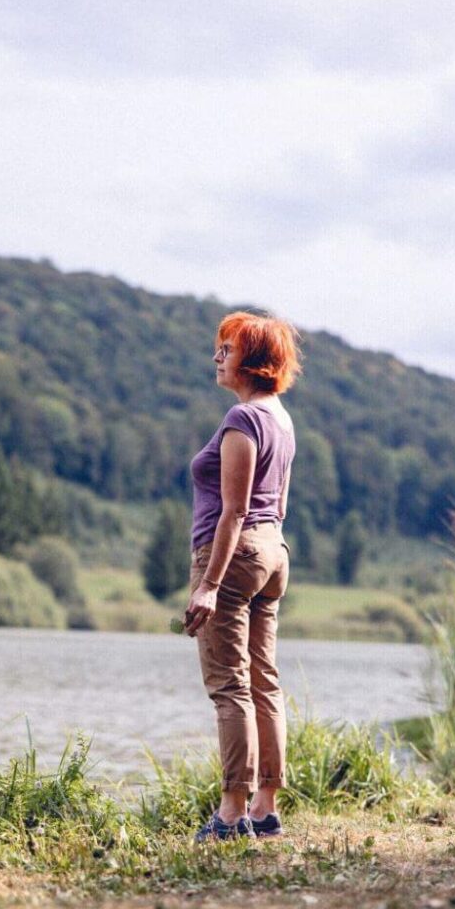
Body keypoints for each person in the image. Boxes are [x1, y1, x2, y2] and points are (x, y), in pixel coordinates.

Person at [186, 310, 300, 842]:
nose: (217, 356)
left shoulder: (242, 421)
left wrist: (208, 584)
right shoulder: (281, 417)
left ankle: (232, 812)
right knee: (263, 681)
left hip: (233, 554)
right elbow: (276, 501)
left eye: (226, 349)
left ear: (253, 362)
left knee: (230, 685)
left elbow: (234, 510)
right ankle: (265, 806)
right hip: (273, 550)